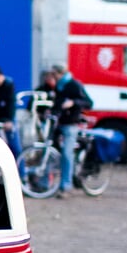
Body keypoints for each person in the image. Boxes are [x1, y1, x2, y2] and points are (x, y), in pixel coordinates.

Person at [51, 64, 92, 197]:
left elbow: (89, 103)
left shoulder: (74, 85)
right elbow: (58, 103)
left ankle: (65, 186)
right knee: (53, 151)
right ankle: (45, 183)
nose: (53, 76)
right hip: (60, 123)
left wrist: (74, 103)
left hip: (71, 124)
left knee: (67, 154)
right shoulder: (59, 86)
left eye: (55, 74)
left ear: (60, 73)